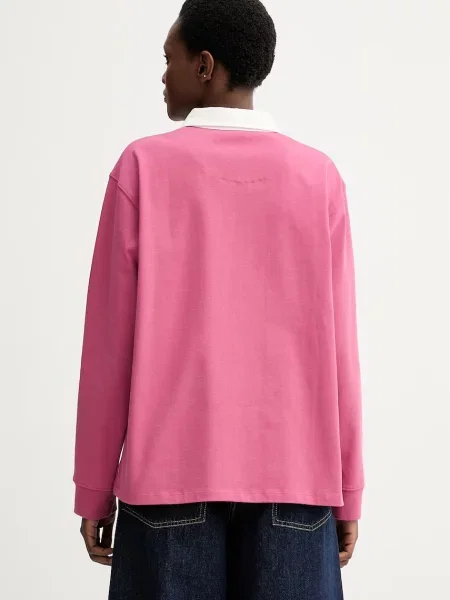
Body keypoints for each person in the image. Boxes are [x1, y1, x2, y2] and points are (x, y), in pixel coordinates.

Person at [73, 0, 364, 598]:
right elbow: (342, 351)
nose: (162, 75)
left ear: (204, 66)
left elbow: (108, 349)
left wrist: (94, 488)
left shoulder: (142, 168)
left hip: (167, 487)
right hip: (297, 485)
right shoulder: (318, 178)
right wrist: (349, 488)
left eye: (169, 59)